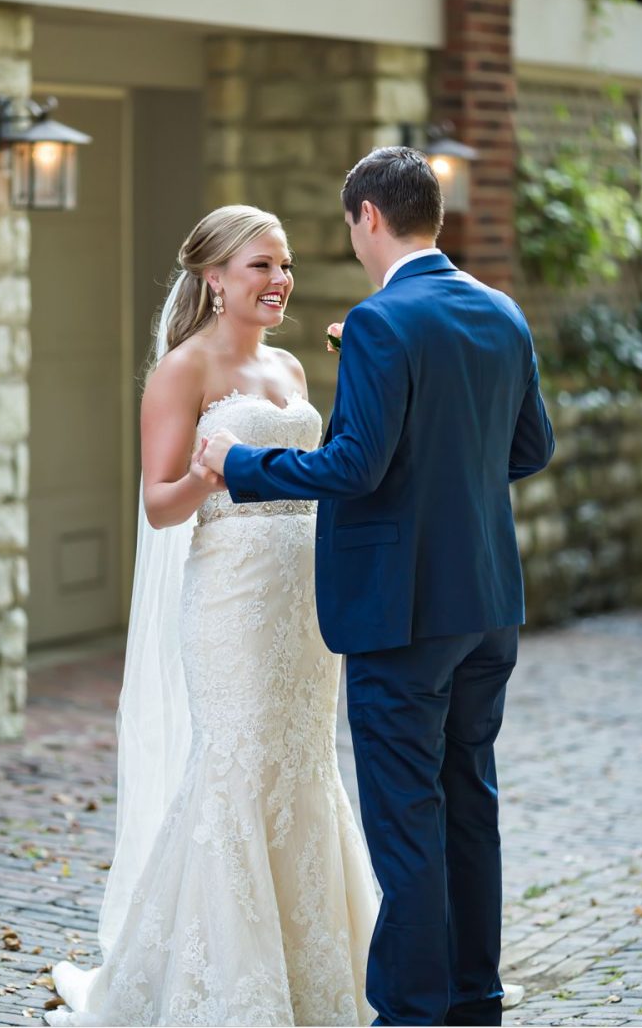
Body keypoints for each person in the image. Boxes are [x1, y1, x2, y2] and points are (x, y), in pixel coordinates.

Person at [197, 146, 555, 1025]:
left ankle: (411, 1013)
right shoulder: (501, 312)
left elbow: (355, 466)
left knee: (406, 821)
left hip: (402, 610)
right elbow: (531, 448)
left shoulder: (382, 322)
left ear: (367, 218)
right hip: (487, 604)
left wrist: (243, 462)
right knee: (470, 801)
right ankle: (476, 1000)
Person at [48, 204, 380, 1025]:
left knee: (306, 762)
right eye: (261, 265)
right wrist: (211, 474)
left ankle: (318, 971)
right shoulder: (182, 371)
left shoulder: (294, 372)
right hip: (231, 600)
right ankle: (228, 988)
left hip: (304, 596)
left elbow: (317, 473)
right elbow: (161, 505)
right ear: (215, 277)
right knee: (236, 763)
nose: (280, 281)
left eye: (286, 264)